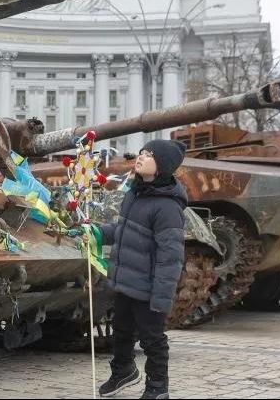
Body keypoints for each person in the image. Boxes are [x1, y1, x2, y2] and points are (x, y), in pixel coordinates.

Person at [97, 139, 188, 400]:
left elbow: (170, 257)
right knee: (121, 328)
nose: (140, 156)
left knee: (152, 338)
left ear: (163, 166)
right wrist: (97, 234)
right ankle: (123, 370)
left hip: (149, 288)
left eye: (149, 155)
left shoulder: (168, 207)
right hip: (126, 280)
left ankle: (158, 387)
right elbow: (123, 230)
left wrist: (161, 297)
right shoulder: (135, 193)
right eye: (141, 152)